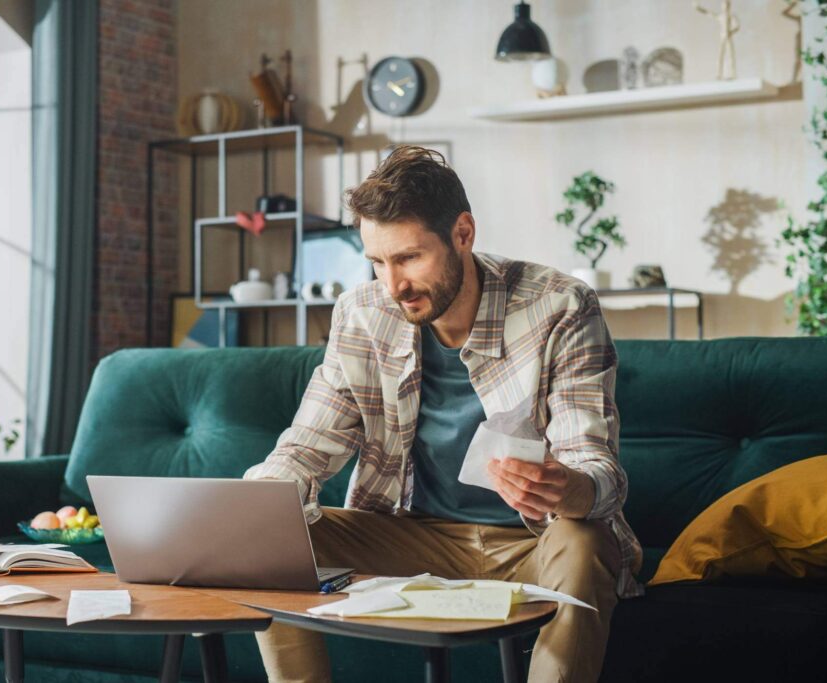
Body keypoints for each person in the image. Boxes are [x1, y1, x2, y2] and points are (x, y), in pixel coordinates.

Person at [245, 145, 642, 683]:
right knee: (274, 536)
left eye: (409, 258)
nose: (394, 285)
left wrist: (570, 488)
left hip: (531, 541)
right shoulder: (361, 314)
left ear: (463, 233)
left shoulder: (561, 307)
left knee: (586, 539)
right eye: (378, 262)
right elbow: (307, 444)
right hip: (410, 537)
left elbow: (595, 464)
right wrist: (256, 504)